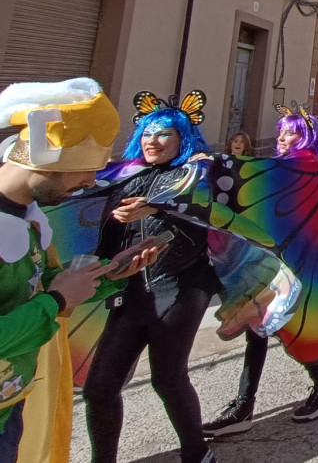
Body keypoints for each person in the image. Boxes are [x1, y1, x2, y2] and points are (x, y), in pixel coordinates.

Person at [0, 79, 159, 463]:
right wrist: (57, 301)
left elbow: (30, 290)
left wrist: (106, 276)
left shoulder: (29, 217)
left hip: (11, 402)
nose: (91, 183)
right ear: (44, 157)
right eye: (84, 171)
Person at [82, 90, 224, 463]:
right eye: (147, 132)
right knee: (99, 388)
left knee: (168, 379)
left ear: (182, 139)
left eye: (164, 134)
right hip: (128, 294)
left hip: (179, 288)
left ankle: (197, 453)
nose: (152, 140)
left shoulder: (194, 172)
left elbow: (194, 198)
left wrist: (154, 207)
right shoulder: (125, 177)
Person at [202, 106, 318, 437]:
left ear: (307, 137)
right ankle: (245, 405)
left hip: (298, 271)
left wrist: (214, 164)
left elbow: (254, 177)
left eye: (291, 131)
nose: (282, 137)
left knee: (295, 330)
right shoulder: (289, 167)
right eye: (280, 130)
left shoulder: (305, 165)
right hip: (272, 269)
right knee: (259, 330)